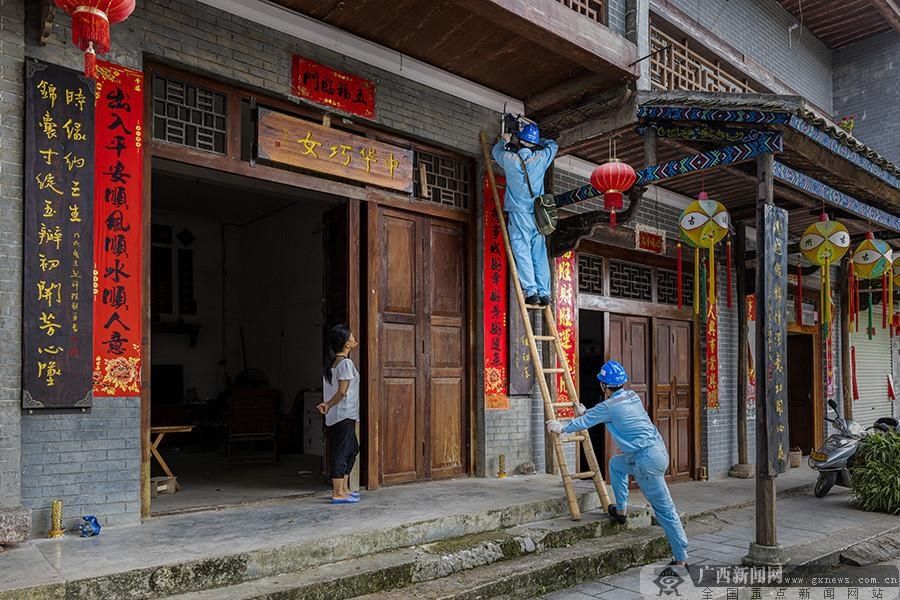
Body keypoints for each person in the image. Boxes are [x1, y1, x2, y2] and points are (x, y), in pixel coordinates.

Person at [546, 360, 689, 566]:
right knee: (616, 464)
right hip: (655, 452)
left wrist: (560, 427)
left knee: (665, 511)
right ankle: (620, 511)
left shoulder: (609, 406)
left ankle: (681, 558)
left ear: (604, 386)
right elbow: (601, 414)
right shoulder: (632, 397)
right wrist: (586, 412)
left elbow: (588, 420)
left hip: (646, 461)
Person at [492, 122, 558, 306]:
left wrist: (503, 141)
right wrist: (540, 141)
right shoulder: (541, 157)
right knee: (539, 252)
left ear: (520, 141)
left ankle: (531, 291)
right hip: (537, 215)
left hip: (519, 212)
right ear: (535, 144)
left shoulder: (510, 159)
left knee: (522, 250)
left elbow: (495, 152)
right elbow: (553, 145)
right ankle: (544, 292)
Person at [317, 324, 360, 504]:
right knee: (342, 452)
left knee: (352, 448)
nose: (353, 336)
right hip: (344, 414)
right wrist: (328, 404)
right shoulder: (346, 363)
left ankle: (344, 488)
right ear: (346, 344)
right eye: (351, 336)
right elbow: (342, 392)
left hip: (340, 415)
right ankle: (337, 492)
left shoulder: (334, 363)